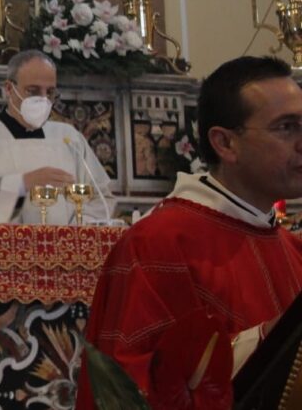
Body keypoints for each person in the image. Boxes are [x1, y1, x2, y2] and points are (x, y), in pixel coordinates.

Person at [77, 56, 302, 408]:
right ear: (225, 144)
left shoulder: (292, 248)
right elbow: (125, 390)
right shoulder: (158, 244)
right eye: (286, 127)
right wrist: (269, 338)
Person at [0, 49, 113, 224]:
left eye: (50, 92)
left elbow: (101, 199)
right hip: (5, 248)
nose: (43, 99)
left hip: (66, 248)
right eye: (33, 91)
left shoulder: (69, 139)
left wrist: (73, 233)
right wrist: (22, 183)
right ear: (9, 89)